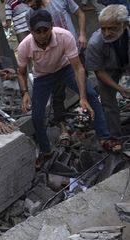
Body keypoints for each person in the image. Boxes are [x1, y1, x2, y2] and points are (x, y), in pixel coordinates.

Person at [17, 10, 120, 167]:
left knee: (92, 95)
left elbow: (78, 68)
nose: (43, 34)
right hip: (42, 77)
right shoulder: (25, 46)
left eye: (46, 29)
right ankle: (46, 152)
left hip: (65, 69)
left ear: (52, 26)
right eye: (38, 31)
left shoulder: (64, 36)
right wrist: (24, 92)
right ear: (31, 32)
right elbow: (21, 72)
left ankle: (104, 138)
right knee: (37, 116)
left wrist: (83, 98)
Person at [85, 5, 130, 138]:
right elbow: (99, 71)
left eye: (112, 28)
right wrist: (119, 88)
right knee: (108, 103)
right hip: (107, 69)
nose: (107, 33)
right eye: (103, 28)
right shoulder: (95, 42)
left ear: (125, 24)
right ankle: (115, 137)